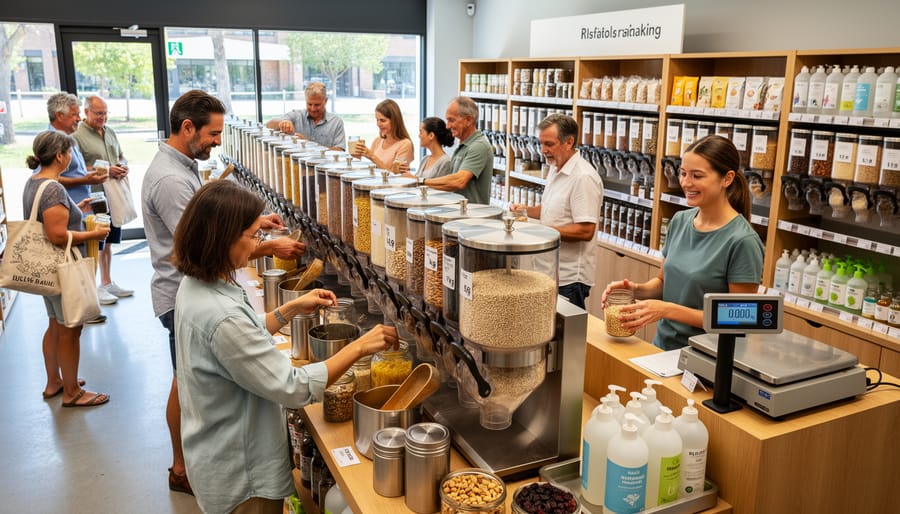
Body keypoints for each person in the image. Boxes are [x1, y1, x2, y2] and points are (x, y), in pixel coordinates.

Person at [171, 179, 398, 514]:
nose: (257, 244)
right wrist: (360, 347)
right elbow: (293, 387)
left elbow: (237, 342)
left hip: (215, 451)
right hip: (242, 476)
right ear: (223, 239)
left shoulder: (196, 287)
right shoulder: (222, 315)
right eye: (252, 235)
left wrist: (287, 310)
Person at [142, 90, 306, 495]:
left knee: (188, 381)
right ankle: (183, 470)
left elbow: (216, 226)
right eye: (213, 133)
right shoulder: (169, 179)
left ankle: (187, 466)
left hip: (183, 288)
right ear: (187, 127)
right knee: (187, 383)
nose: (218, 142)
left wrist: (251, 223)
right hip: (177, 291)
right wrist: (267, 243)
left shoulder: (179, 167)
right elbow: (208, 242)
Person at [601, 135, 764, 351]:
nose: (686, 183)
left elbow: (739, 318)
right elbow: (664, 282)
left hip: (708, 360)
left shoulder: (742, 241)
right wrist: (635, 290)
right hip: (662, 350)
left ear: (727, 178)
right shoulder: (680, 221)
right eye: (683, 173)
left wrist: (667, 310)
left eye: (697, 175)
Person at [24, 131, 111, 406]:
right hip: (62, 268)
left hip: (45, 267)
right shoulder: (54, 188)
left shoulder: (34, 182)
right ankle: (72, 392)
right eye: (69, 152)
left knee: (54, 324)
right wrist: (93, 235)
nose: (71, 157)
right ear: (61, 155)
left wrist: (77, 208)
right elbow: (58, 236)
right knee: (71, 328)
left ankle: (55, 382)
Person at [510, 114, 603, 309]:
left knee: (566, 337)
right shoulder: (556, 167)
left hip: (569, 279)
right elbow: (552, 209)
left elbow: (586, 230)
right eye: (541, 143)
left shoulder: (583, 177)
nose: (543, 150)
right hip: (548, 270)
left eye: (549, 144)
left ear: (568, 142)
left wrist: (543, 232)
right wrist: (525, 211)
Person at [46, 92, 115, 315]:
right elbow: (51, 177)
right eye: (75, 115)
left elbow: (74, 170)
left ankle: (88, 303)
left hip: (79, 210)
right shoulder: (52, 141)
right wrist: (86, 179)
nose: (78, 119)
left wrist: (93, 173)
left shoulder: (69, 138)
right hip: (67, 215)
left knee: (86, 262)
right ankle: (78, 311)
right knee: (73, 269)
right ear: (59, 115)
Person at [73, 95, 134, 301]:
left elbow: (120, 155)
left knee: (108, 240)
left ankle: (106, 282)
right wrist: (108, 169)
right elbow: (77, 169)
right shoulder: (76, 136)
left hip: (113, 195)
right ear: (86, 112)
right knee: (96, 242)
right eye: (99, 113)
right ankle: (94, 289)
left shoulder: (109, 132)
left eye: (105, 113)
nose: (103, 117)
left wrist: (122, 165)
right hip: (94, 196)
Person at [419, 96, 493, 204]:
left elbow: (459, 181)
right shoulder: (462, 147)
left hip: (471, 217)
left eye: (451, 120)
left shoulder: (479, 146)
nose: (448, 126)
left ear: (468, 120)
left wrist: (422, 182)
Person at [265, 81, 345, 150]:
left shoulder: (336, 122)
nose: (313, 109)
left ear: (326, 101)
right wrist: (282, 122)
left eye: (317, 105)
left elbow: (339, 151)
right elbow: (268, 125)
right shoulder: (296, 116)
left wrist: (309, 144)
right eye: (309, 104)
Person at [350, 98, 414, 172]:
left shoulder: (405, 144)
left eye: (383, 120)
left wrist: (371, 156)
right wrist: (357, 156)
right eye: (377, 120)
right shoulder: (378, 140)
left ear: (394, 121)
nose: (378, 124)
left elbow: (396, 176)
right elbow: (373, 169)